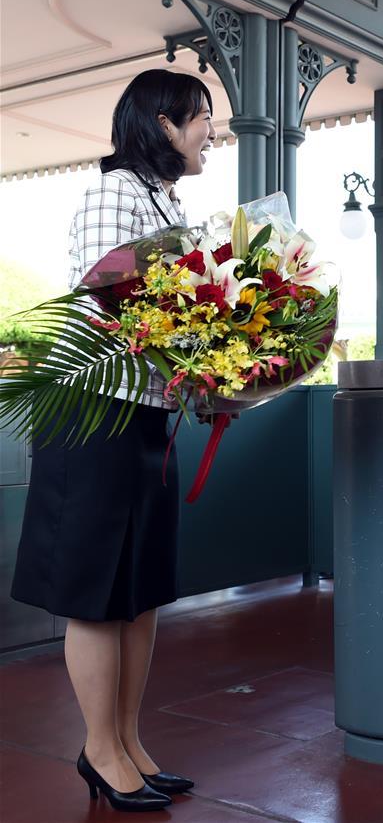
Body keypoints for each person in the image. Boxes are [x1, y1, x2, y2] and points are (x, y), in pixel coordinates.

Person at [10, 69, 217, 812]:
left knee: (139, 588)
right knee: (96, 592)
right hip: (93, 409)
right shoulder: (113, 191)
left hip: (145, 412)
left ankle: (126, 740)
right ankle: (99, 746)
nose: (209, 134)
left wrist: (219, 357)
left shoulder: (165, 201)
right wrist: (202, 345)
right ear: (162, 123)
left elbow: (171, 310)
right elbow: (115, 297)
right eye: (200, 119)